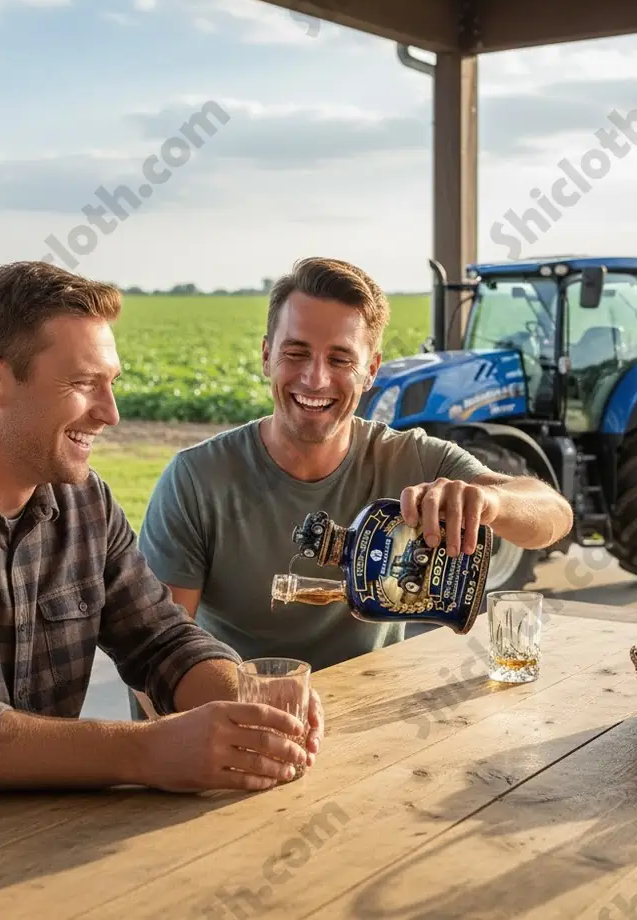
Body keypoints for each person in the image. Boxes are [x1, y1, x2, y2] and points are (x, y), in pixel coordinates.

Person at [0, 262, 321, 843]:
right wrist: (145, 752)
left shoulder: (85, 504)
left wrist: (248, 706)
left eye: (111, 382)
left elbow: (162, 641)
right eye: (82, 384)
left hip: (29, 841)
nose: (110, 412)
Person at [130, 257, 573, 718]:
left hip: (374, 722)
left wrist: (492, 500)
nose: (315, 379)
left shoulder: (409, 459)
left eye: (340, 358)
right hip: (239, 722)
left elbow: (554, 518)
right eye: (295, 352)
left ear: (371, 370)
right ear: (266, 355)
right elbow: (156, 658)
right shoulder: (196, 479)